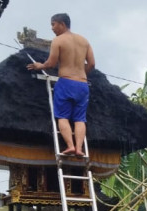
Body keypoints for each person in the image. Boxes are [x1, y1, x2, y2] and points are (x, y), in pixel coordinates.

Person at [27, 13, 96, 157]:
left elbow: (51, 63)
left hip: (66, 82)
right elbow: (92, 64)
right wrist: (82, 74)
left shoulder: (58, 40)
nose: (52, 28)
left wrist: (39, 66)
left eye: (53, 24)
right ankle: (79, 148)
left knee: (63, 116)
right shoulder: (84, 41)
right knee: (79, 119)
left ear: (62, 24)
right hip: (83, 85)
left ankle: (70, 146)